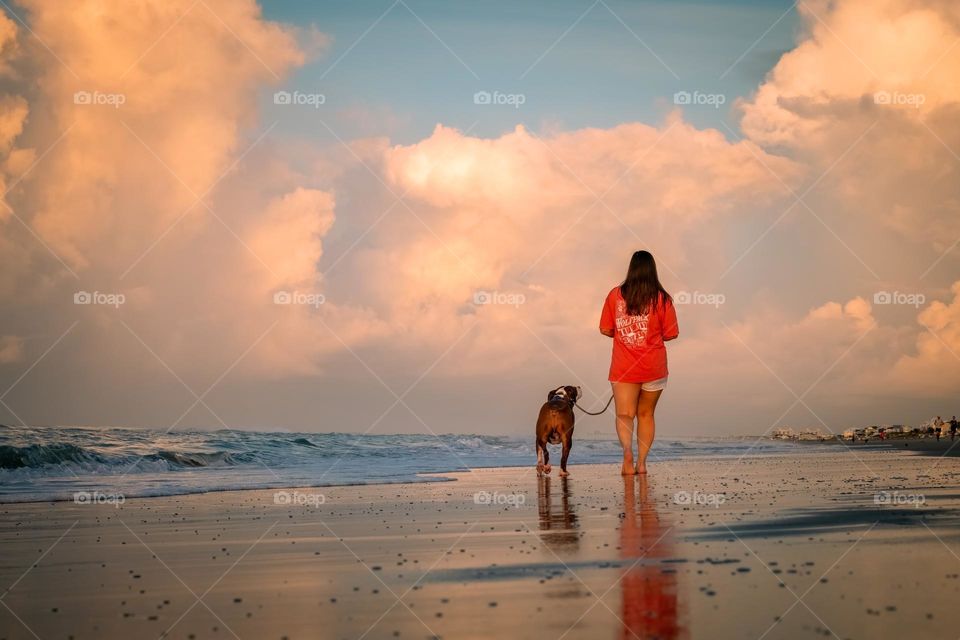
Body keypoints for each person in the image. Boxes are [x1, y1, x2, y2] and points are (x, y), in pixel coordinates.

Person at [599, 250, 679, 475]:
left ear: (631, 269)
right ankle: (642, 463)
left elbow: (606, 329)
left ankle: (627, 452)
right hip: (654, 366)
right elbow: (671, 334)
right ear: (653, 271)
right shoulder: (662, 299)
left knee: (625, 415)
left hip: (624, 367)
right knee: (646, 415)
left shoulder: (615, 295)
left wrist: (625, 333)